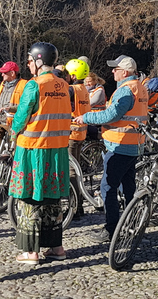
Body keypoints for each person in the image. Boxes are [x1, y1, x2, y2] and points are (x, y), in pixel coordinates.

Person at [9, 42, 72, 265]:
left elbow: (22, 116)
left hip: (34, 151)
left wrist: (13, 131)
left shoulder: (35, 85)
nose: (27, 64)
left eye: (29, 60)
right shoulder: (64, 85)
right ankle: (57, 247)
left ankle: (31, 252)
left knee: (30, 199)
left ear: (38, 60)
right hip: (58, 152)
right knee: (52, 200)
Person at [74, 55, 148, 243]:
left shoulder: (125, 91)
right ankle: (131, 223)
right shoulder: (139, 87)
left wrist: (87, 117)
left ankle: (112, 228)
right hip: (134, 144)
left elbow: (112, 115)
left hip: (120, 145)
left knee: (108, 188)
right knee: (128, 187)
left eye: (116, 69)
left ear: (125, 72)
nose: (112, 71)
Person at [65, 58, 91, 217]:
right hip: (81, 132)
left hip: (71, 133)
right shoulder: (84, 88)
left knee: (71, 171)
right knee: (77, 168)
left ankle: (75, 207)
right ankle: (78, 205)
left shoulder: (71, 89)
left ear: (73, 76)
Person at [0, 61, 28, 162]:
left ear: (12, 73)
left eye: (4, 72)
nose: (2, 75)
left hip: (14, 124)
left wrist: (10, 110)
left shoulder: (24, 85)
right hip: (0, 122)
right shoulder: (3, 84)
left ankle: (11, 170)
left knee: (13, 150)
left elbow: (25, 105)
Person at [84, 72, 106, 140]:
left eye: (90, 81)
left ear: (95, 81)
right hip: (89, 115)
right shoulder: (86, 90)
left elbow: (89, 104)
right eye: (86, 81)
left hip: (97, 116)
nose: (88, 84)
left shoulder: (99, 90)